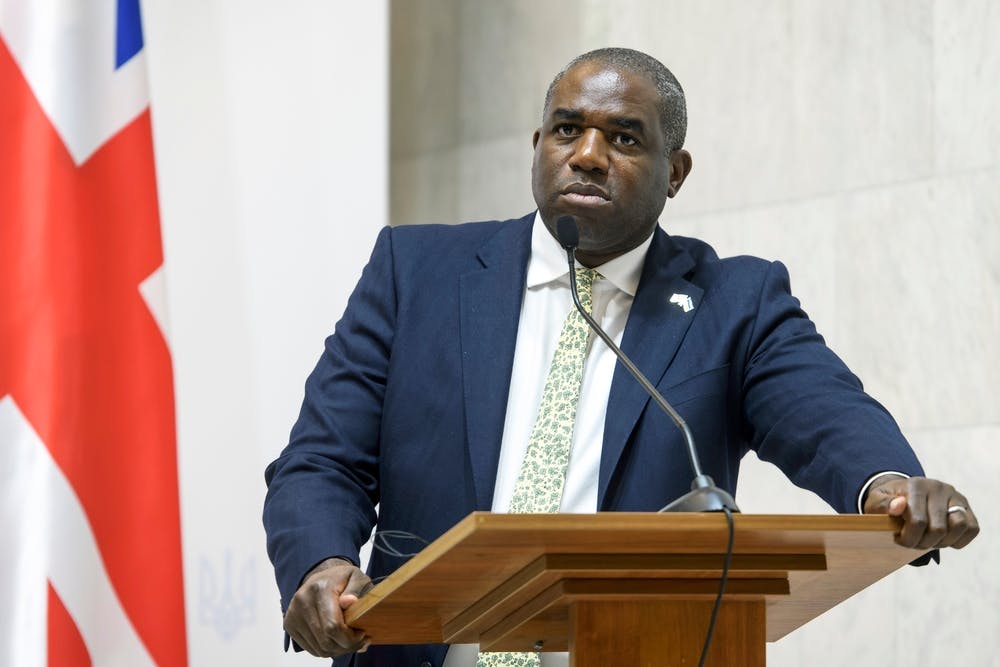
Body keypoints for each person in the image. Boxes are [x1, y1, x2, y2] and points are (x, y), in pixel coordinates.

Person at [263, 47, 979, 666]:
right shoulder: (415, 272)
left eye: (625, 138)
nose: (587, 154)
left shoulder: (735, 301)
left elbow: (822, 410)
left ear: (676, 172)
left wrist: (889, 484)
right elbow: (322, 458)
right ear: (538, 141)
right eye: (568, 129)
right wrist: (324, 563)